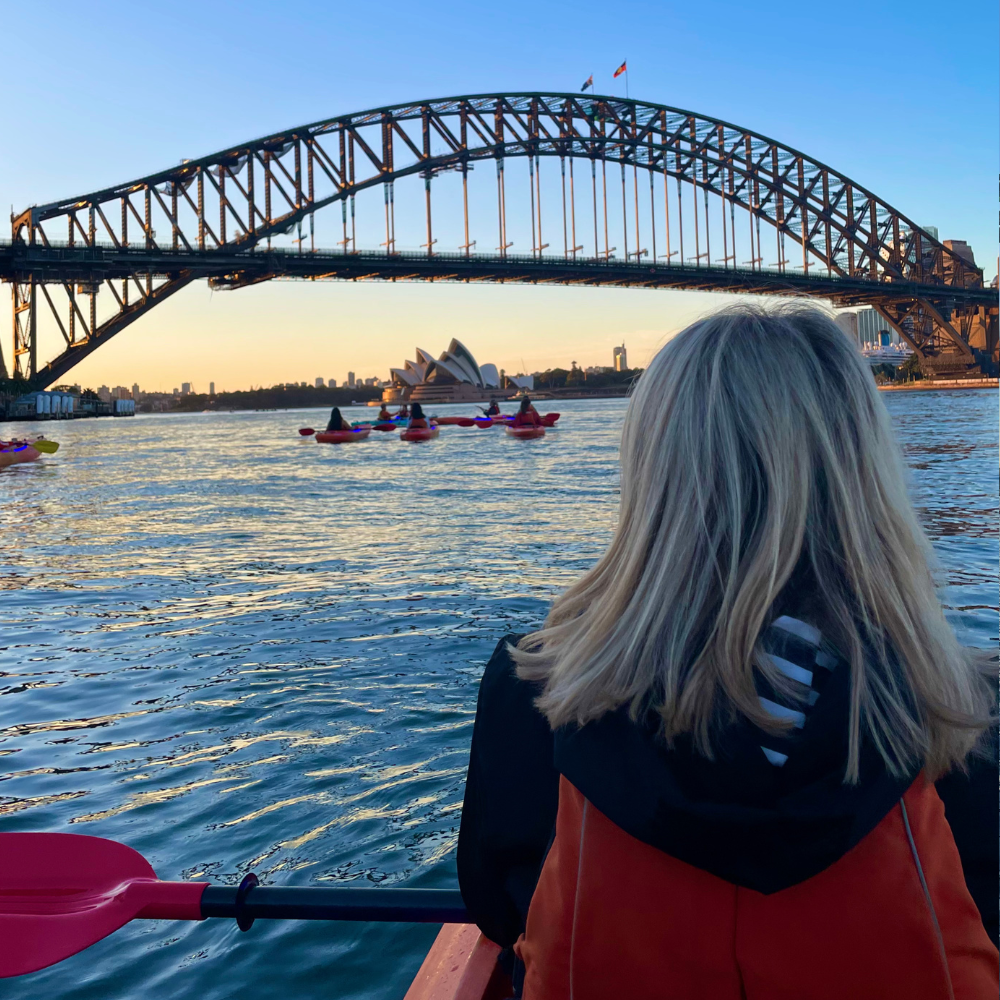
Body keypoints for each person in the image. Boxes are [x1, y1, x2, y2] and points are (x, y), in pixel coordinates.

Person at [457, 304, 997, 999]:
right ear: (863, 473)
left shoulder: (533, 687)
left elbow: (500, 904)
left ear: (655, 472)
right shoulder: (956, 704)